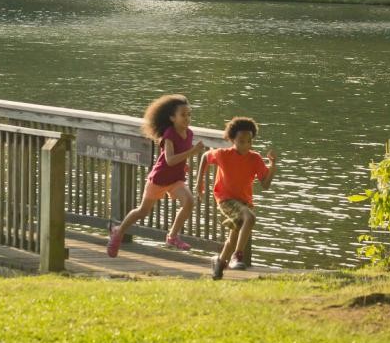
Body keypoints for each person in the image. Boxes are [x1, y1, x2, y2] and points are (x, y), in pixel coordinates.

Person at [107, 94, 205, 257]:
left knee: (189, 202)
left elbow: (179, 158)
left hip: (176, 179)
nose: (187, 118)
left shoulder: (189, 134)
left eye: (189, 114)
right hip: (159, 179)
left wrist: (185, 164)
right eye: (183, 115)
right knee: (142, 211)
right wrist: (192, 152)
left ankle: (172, 236)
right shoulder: (169, 134)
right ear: (172, 117)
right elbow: (170, 159)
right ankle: (119, 231)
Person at [195, 116, 277, 280]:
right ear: (232, 139)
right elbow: (205, 157)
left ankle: (218, 264)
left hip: (244, 201)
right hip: (225, 199)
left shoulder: (255, 158)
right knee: (250, 217)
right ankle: (238, 256)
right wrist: (199, 183)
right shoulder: (223, 154)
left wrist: (273, 166)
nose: (245, 145)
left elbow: (265, 184)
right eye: (241, 141)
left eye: (249, 141)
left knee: (233, 237)